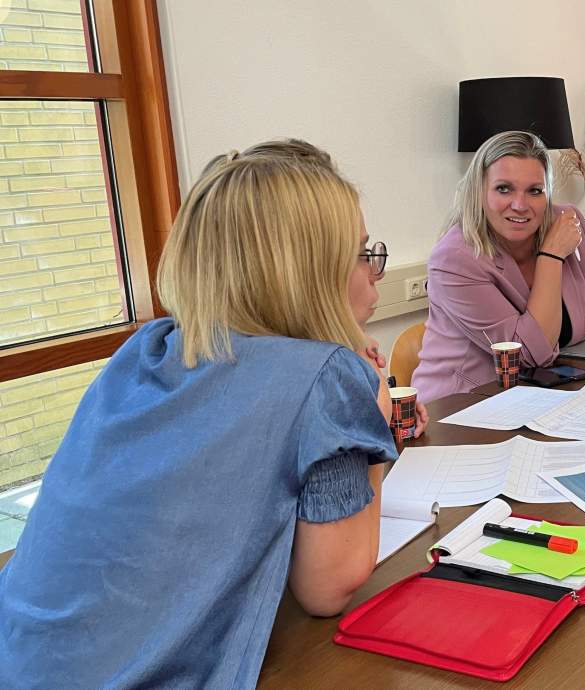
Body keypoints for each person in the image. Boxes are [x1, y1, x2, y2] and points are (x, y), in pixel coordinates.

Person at [0, 140, 426, 688]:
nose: (376, 273)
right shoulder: (328, 378)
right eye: (362, 253)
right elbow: (330, 586)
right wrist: (375, 407)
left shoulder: (149, 347)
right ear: (308, 273)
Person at [413, 130, 585, 402]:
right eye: (504, 189)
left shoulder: (569, 221)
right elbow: (527, 353)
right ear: (479, 192)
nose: (520, 204)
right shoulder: (454, 259)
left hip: (543, 392)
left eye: (535, 191)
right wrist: (550, 256)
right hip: (463, 407)